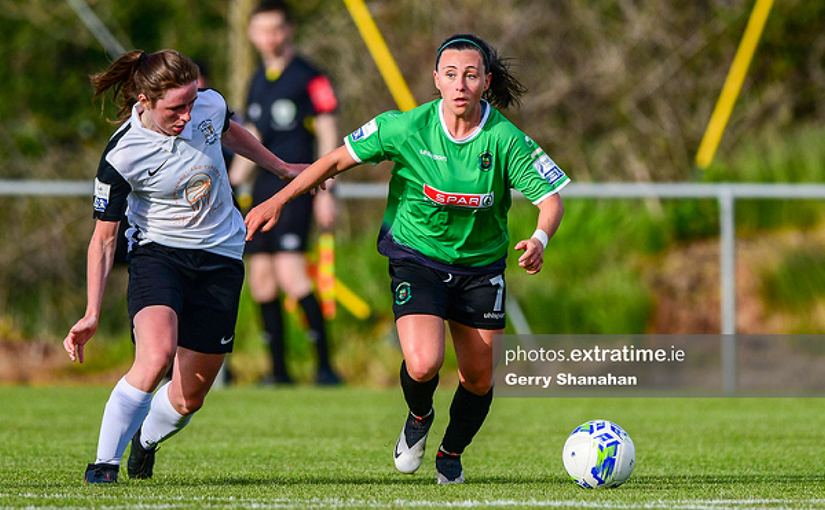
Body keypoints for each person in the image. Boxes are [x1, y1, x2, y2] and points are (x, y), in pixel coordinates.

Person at [245, 34, 569, 484]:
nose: (460, 84)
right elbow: (334, 160)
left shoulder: (505, 140)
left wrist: (539, 239)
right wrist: (277, 201)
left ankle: (450, 451)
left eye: (471, 75)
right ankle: (419, 417)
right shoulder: (406, 127)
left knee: (478, 378)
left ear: (486, 81)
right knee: (423, 363)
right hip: (417, 256)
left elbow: (550, 200)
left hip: (480, 267)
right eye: (451, 74)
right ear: (436, 80)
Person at [64, 49, 306, 484]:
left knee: (189, 397)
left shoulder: (207, 105)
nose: (187, 114)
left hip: (221, 256)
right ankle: (102, 465)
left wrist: (283, 168)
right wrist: (92, 313)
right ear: (145, 99)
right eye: (176, 108)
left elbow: (230, 133)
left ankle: (145, 442)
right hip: (159, 254)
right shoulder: (123, 155)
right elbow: (103, 239)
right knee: (156, 355)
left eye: (192, 102)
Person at [230, 0, 341, 386]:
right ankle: (278, 371)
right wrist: (229, 184)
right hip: (261, 190)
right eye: (261, 30)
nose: (269, 38)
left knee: (291, 273)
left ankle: (325, 367)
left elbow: (329, 131)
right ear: (251, 34)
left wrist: (328, 189)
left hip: (300, 187)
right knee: (260, 277)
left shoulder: (311, 76)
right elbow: (253, 139)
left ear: (289, 29)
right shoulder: (257, 79)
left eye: (276, 29)